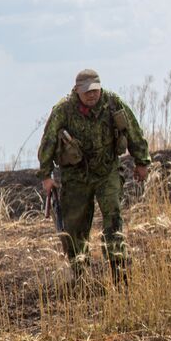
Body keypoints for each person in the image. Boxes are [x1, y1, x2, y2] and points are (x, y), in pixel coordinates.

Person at [37, 68, 152, 283]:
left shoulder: (112, 102)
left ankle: (120, 273)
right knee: (75, 227)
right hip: (75, 177)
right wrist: (46, 175)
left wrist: (142, 161)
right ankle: (81, 276)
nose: (92, 95)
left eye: (95, 90)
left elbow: (133, 131)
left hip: (107, 171)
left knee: (113, 218)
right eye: (87, 91)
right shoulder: (63, 110)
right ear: (77, 90)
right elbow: (48, 141)